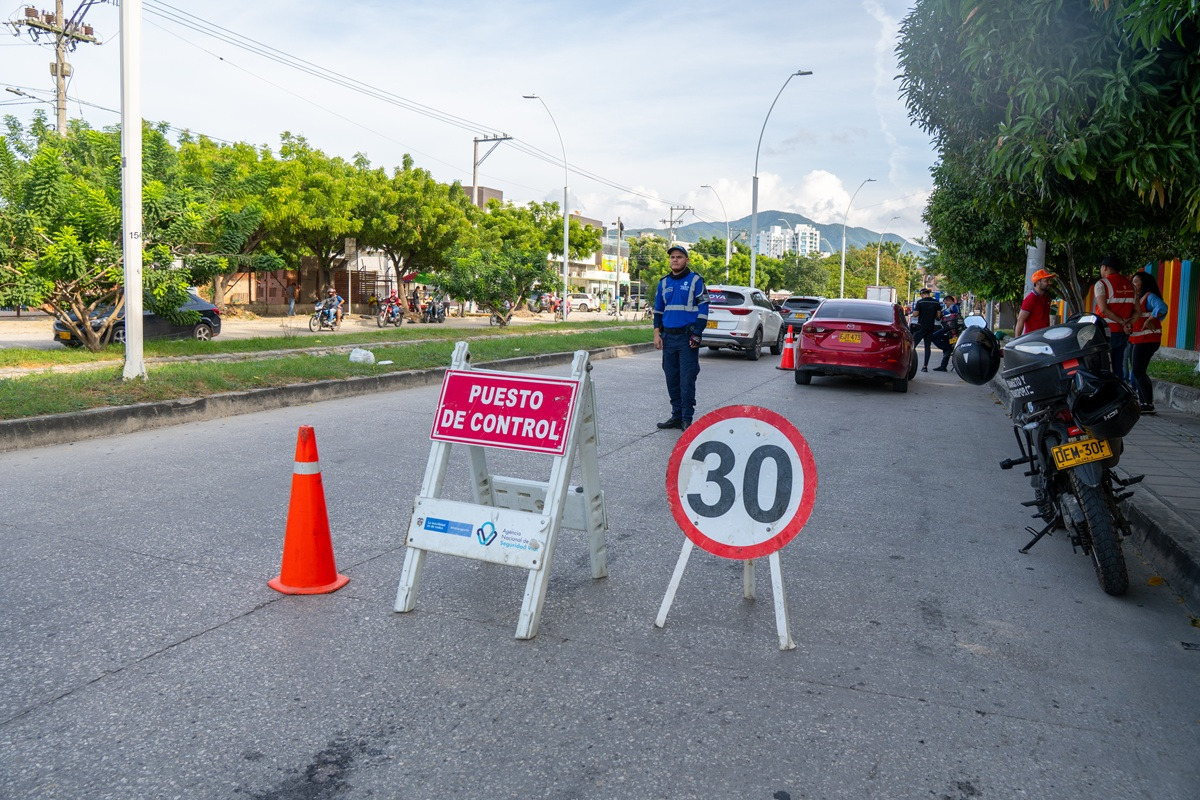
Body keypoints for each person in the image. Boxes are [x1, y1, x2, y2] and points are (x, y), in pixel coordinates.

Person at [653, 244, 709, 431]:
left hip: (687, 339)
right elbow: (658, 310)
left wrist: (697, 333)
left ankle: (686, 418)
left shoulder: (696, 280)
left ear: (687, 260)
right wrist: (656, 334)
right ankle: (676, 416)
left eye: (679, 257)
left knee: (687, 379)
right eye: (672, 257)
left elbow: (703, 309)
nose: (675, 260)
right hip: (668, 337)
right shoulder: (664, 283)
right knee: (672, 378)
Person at [1129, 270, 1169, 415]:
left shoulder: (1149, 297)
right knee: (1138, 371)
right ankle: (1144, 403)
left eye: (1136, 281)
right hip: (1138, 339)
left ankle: (1147, 404)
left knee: (1138, 371)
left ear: (1143, 283)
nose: (1133, 284)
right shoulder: (1137, 299)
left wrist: (1150, 319)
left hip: (1147, 340)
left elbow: (1162, 307)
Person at [1093, 255, 1136, 382]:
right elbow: (1137, 311)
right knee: (1118, 366)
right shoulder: (1131, 285)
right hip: (1123, 332)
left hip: (1105, 332)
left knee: (1104, 367)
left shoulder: (1102, 284)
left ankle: (1106, 396)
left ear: (1104, 267)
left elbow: (1103, 309)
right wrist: (1128, 324)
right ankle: (1119, 393)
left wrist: (1122, 322)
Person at [1013, 268, 1056, 338]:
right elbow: (1020, 320)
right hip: (1032, 340)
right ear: (1038, 282)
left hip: (1044, 337)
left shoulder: (1046, 298)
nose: (1049, 283)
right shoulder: (1030, 299)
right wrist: (1016, 341)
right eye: (1046, 281)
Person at [909, 287, 942, 372]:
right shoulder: (936, 302)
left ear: (922, 294)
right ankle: (925, 366)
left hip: (921, 327)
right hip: (930, 327)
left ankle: (909, 363)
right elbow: (939, 315)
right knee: (927, 347)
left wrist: (913, 314)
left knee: (912, 345)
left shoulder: (920, 302)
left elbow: (915, 314)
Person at [931, 294, 963, 371]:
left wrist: (941, 313)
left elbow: (952, 315)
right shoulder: (954, 307)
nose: (946, 304)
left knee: (933, 337)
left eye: (946, 303)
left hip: (950, 329)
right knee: (947, 345)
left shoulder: (954, 307)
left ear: (950, 301)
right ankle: (943, 365)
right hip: (951, 330)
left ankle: (946, 350)